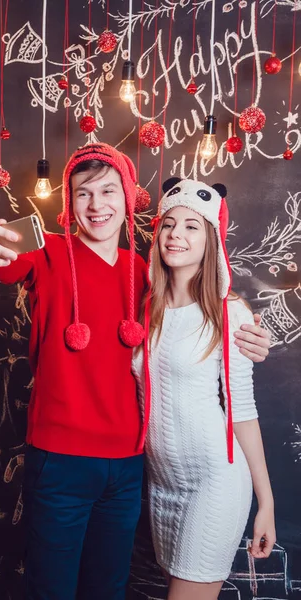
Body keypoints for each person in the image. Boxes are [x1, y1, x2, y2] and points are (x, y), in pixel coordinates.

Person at [0, 145, 271, 600]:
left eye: (107, 190)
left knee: (108, 588)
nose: (97, 205)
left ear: (128, 196)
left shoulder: (146, 274)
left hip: (128, 467)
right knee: (52, 589)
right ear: (70, 203)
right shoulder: (47, 254)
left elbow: (201, 310)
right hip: (60, 460)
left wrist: (251, 332)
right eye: (83, 194)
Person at [132, 177, 276, 600]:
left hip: (215, 481)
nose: (176, 234)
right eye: (168, 225)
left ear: (211, 238)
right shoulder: (144, 309)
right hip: (161, 483)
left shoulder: (230, 312)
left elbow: (243, 411)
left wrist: (265, 502)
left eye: (192, 227)